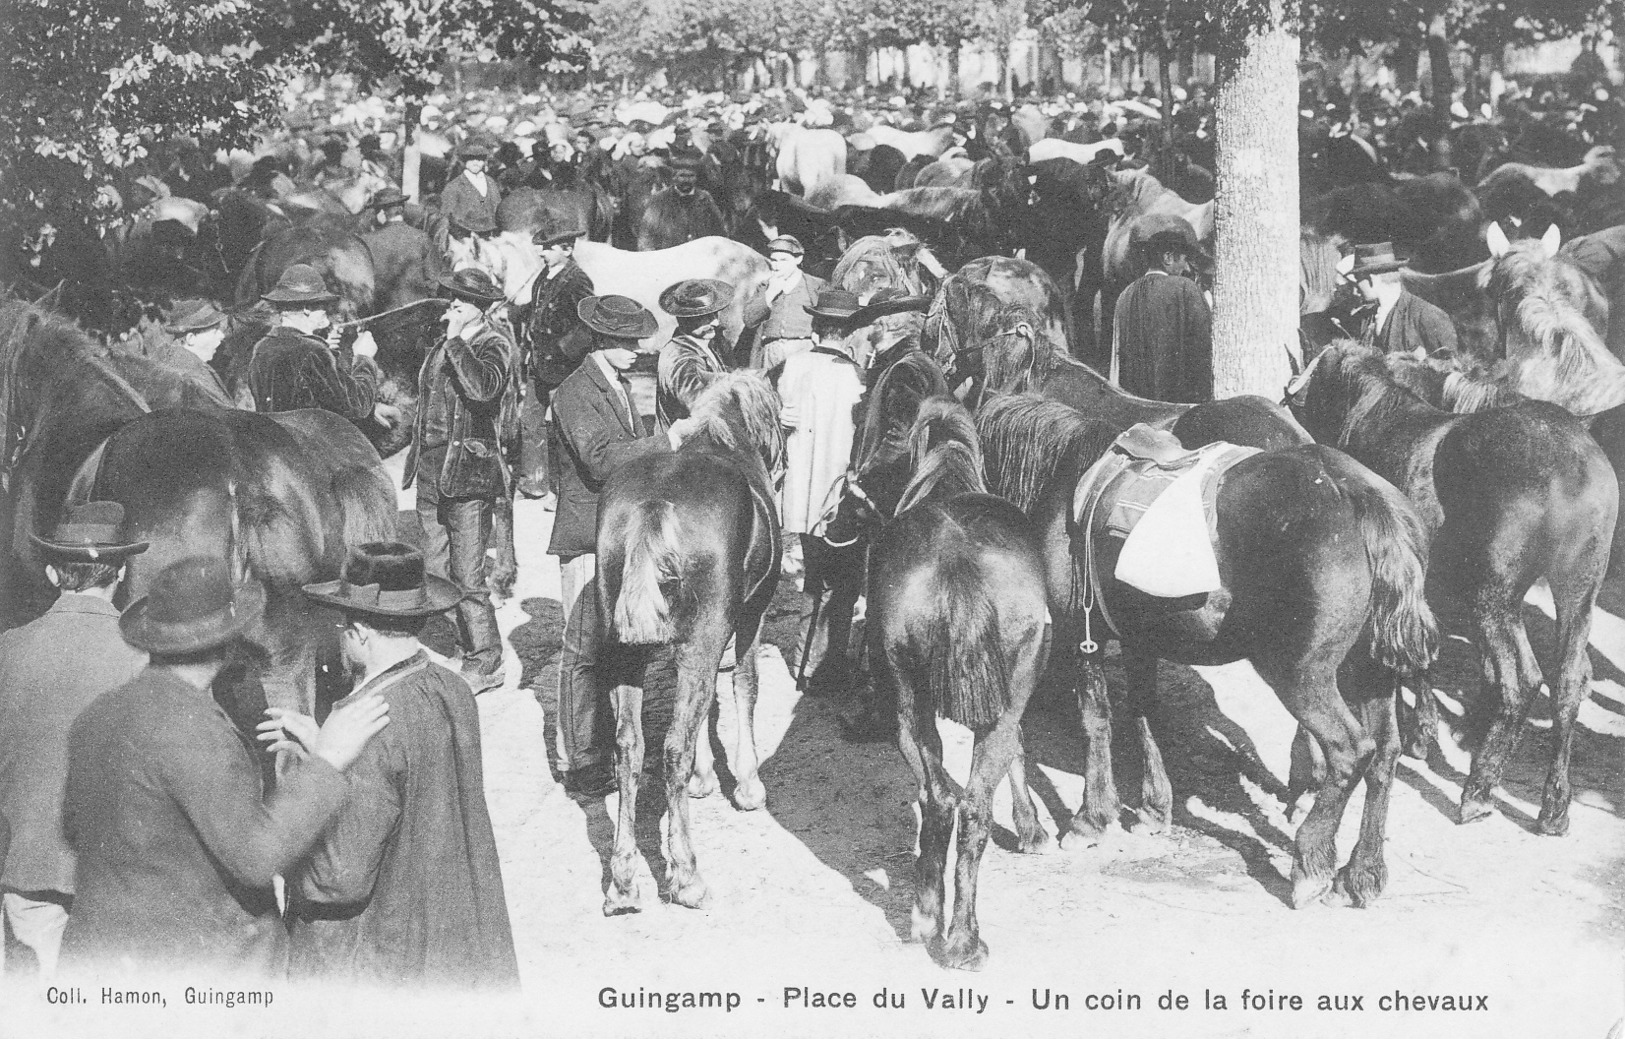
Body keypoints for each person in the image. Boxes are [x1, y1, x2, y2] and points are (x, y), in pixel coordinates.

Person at [58, 557, 389, 978]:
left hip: (99, 958)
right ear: (229, 641)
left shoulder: (98, 714)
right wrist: (327, 761)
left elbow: (75, 827)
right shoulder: (196, 728)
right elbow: (256, 856)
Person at [281, 542, 518, 989]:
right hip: (447, 945)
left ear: (361, 634)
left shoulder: (362, 721)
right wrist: (324, 749)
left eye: (341, 627)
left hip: (378, 961)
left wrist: (311, 785)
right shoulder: (455, 689)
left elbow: (337, 879)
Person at [549, 295, 697, 797]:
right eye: (629, 342)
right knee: (584, 649)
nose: (638, 350)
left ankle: (607, 748)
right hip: (588, 534)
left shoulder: (616, 383)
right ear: (602, 341)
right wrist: (667, 442)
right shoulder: (572, 392)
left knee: (613, 645)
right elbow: (600, 460)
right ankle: (581, 762)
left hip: (615, 531)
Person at [0, 503, 149, 979]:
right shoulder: (145, 657)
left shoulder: (8, 649)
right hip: (113, 879)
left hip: (27, 870)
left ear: (50, 572)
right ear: (122, 572)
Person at [403, 268, 522, 695]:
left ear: (482, 308)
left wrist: (455, 341)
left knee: (467, 577)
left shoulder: (495, 345)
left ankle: (487, 660)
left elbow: (483, 391)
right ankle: (462, 640)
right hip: (433, 473)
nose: (452, 303)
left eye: (462, 299)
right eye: (451, 296)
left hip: (470, 476)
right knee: (435, 570)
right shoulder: (442, 343)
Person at [777, 289, 866, 691]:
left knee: (816, 580)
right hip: (841, 495)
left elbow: (782, 420)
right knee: (841, 583)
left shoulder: (792, 366)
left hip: (802, 494)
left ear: (816, 329)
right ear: (848, 333)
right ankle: (822, 665)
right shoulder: (856, 376)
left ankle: (807, 663)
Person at [248, 264, 399, 428]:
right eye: (322, 304)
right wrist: (364, 358)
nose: (327, 311)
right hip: (310, 448)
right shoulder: (313, 351)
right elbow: (358, 408)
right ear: (307, 308)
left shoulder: (262, 347)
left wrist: (328, 353)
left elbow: (307, 394)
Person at [520, 212, 596, 503]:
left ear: (567, 249)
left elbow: (586, 325)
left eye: (548, 247)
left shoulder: (578, 280)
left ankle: (567, 490)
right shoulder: (544, 275)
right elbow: (538, 309)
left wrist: (561, 352)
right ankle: (534, 483)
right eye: (541, 246)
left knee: (566, 428)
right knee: (530, 421)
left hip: (564, 367)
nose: (541, 252)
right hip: (538, 363)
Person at [1112, 227, 1213, 403]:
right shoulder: (1184, 288)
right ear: (1167, 257)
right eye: (1183, 259)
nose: (1186, 267)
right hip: (1177, 406)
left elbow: (1117, 361)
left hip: (1138, 408)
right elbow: (1203, 346)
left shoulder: (1124, 295)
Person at [1347, 241, 1460, 357]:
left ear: (1371, 279)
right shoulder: (1369, 317)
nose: (1356, 288)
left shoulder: (1427, 315)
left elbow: (1450, 369)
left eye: (1358, 279)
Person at [656, 278, 733, 427]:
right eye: (707, 317)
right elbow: (697, 399)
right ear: (686, 319)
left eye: (715, 315)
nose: (715, 322)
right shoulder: (678, 356)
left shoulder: (708, 344)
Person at [755, 235, 827, 370]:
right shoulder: (765, 286)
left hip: (803, 349)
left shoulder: (815, 285)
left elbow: (827, 319)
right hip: (772, 351)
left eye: (783, 260)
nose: (777, 266)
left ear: (798, 259)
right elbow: (749, 319)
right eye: (773, 260)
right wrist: (770, 294)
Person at [636, 145, 726, 251]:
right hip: (670, 257)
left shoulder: (705, 198)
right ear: (674, 177)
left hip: (700, 255)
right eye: (682, 176)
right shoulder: (659, 200)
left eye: (691, 176)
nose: (686, 180)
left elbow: (719, 230)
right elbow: (647, 234)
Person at [439, 142, 503, 247]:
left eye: (480, 159)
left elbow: (498, 206)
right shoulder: (454, 186)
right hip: (463, 238)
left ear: (484, 162)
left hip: (491, 236)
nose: (476, 163)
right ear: (464, 162)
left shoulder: (491, 182)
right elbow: (445, 216)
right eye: (471, 159)